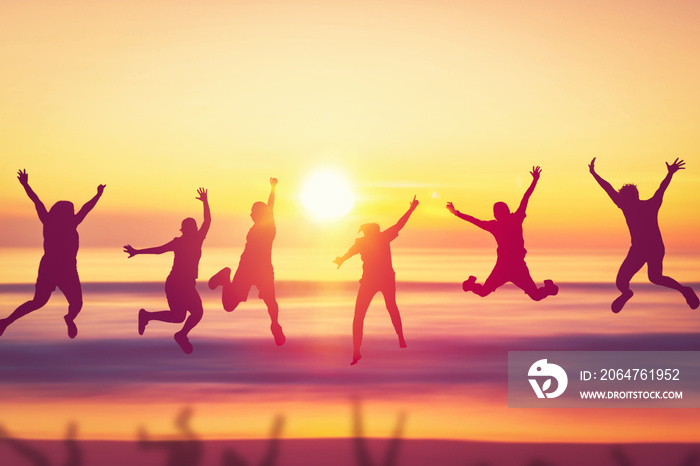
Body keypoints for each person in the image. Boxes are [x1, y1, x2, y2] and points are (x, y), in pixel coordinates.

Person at [0, 170, 105, 339]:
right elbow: (38, 202)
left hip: (54, 267)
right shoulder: (66, 222)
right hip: (61, 269)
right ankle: (67, 318)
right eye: (70, 210)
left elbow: (38, 201)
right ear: (65, 212)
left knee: (43, 302)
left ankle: (7, 321)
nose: (73, 211)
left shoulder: (51, 221)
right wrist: (98, 194)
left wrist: (26, 184)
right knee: (71, 304)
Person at [589, 157, 698, 312]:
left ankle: (683, 291)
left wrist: (594, 173)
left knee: (647, 278)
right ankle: (682, 290)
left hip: (648, 248)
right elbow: (609, 189)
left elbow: (610, 189)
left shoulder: (637, 206)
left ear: (632, 196)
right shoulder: (642, 205)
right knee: (636, 280)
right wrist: (670, 174)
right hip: (645, 248)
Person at [446, 166, 558, 301]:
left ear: (498, 213)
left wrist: (455, 213)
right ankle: (549, 288)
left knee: (484, 292)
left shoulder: (502, 223)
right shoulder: (513, 219)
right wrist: (535, 180)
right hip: (509, 266)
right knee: (535, 295)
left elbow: (474, 220)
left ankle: (469, 285)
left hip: (511, 267)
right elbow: (525, 198)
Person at [123, 188, 210, 354]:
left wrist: (206, 202)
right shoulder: (184, 241)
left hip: (177, 284)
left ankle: (147, 317)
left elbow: (207, 221)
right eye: (192, 227)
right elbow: (158, 250)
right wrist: (137, 251)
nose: (195, 229)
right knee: (196, 313)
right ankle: (181, 334)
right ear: (186, 229)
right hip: (178, 284)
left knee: (179, 317)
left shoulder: (193, 240)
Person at [334, 196, 419, 365]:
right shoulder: (379, 237)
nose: (365, 234)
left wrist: (342, 260)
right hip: (376, 280)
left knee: (367, 314)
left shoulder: (375, 238)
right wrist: (341, 260)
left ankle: (397, 338)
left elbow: (399, 225)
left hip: (377, 280)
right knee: (379, 310)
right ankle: (360, 349)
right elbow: (399, 225)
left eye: (366, 231)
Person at [208, 178, 285, 346]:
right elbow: (269, 208)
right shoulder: (258, 227)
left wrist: (272, 188)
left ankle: (275, 324)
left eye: (253, 212)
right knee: (229, 305)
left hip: (262, 269)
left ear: (259, 213)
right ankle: (225, 277)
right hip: (247, 269)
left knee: (271, 300)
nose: (250, 214)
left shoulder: (269, 225)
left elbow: (270, 206)